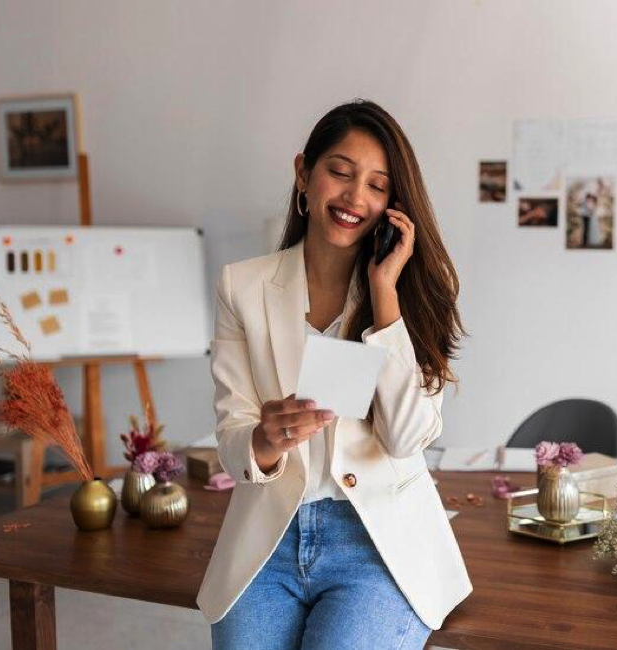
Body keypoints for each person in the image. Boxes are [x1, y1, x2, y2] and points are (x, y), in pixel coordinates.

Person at [198, 99, 472, 649]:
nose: (354, 198)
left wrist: (384, 294)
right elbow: (233, 437)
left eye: (376, 185)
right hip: (268, 537)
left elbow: (406, 437)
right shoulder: (242, 286)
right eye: (340, 173)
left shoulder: (413, 290)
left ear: (394, 202)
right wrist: (263, 440)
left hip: (376, 541)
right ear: (305, 173)